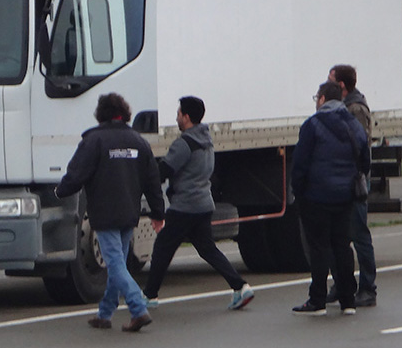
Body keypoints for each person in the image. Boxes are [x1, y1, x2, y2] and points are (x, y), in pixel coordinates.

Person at [55, 92, 166, 332]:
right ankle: (105, 314)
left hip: (104, 214)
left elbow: (77, 173)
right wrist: (158, 211)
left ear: (101, 114)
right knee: (119, 263)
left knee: (115, 264)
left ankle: (138, 308)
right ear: (124, 113)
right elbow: (152, 180)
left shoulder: (94, 141)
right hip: (129, 213)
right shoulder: (139, 142)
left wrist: (60, 192)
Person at [142, 96, 254, 311]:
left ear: (186, 117)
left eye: (178, 114)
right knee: (207, 249)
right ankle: (240, 286)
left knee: (163, 248)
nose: (176, 117)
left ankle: (150, 295)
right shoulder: (207, 141)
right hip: (204, 204)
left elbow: (164, 171)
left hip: (184, 206)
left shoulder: (184, 143)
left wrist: (146, 175)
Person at [291, 81, 370, 316]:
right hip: (345, 196)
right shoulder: (353, 125)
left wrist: (299, 190)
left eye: (317, 97)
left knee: (318, 248)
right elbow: (364, 159)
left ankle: (317, 300)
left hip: (316, 195)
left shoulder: (313, 125)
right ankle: (348, 300)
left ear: (323, 99)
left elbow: (300, 163)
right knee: (342, 246)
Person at [326, 64, 378, 307]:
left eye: (331, 80)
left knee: (358, 234)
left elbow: (357, 146)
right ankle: (343, 283)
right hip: (343, 178)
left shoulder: (355, 109)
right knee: (338, 236)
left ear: (342, 86)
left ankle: (368, 287)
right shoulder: (347, 106)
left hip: (353, 179)